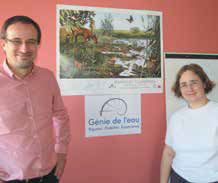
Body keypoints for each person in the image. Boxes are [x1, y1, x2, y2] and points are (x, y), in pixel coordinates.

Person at [0, 15, 71, 183]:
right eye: (16, 41)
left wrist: (62, 151)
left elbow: (60, 115)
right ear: (4, 44)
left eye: (31, 41)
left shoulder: (47, 77)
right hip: (10, 179)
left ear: (38, 44)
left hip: (49, 175)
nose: (24, 48)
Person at [160, 63, 218, 183]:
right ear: (180, 90)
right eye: (184, 85)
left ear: (204, 83)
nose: (189, 89)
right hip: (179, 178)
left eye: (194, 83)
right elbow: (168, 152)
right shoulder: (176, 118)